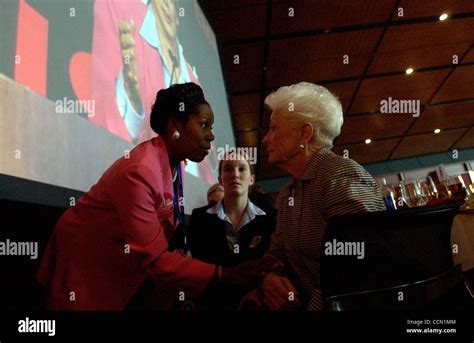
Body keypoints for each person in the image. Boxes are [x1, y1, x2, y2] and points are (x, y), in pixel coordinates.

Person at [37, 83, 278, 310]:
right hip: (84, 270)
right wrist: (227, 274)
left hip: (119, 270)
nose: (211, 136)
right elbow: (155, 261)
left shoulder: (176, 164)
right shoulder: (140, 171)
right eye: (204, 125)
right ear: (175, 127)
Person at [243, 82, 386, 311]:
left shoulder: (341, 175)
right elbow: (276, 254)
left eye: (273, 128)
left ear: (304, 133)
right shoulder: (287, 194)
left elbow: (360, 264)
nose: (265, 140)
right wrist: (268, 279)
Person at [90, 0, 214, 183]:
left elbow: (207, 170)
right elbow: (102, 118)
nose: (166, 6)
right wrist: (130, 96)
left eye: (172, 2)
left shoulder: (192, 77)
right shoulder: (119, 12)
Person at [185, 150, 277, 309]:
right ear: (220, 179)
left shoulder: (269, 217)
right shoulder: (200, 218)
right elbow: (199, 269)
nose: (235, 174)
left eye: (242, 169)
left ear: (252, 179)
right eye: (228, 169)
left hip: (258, 303)